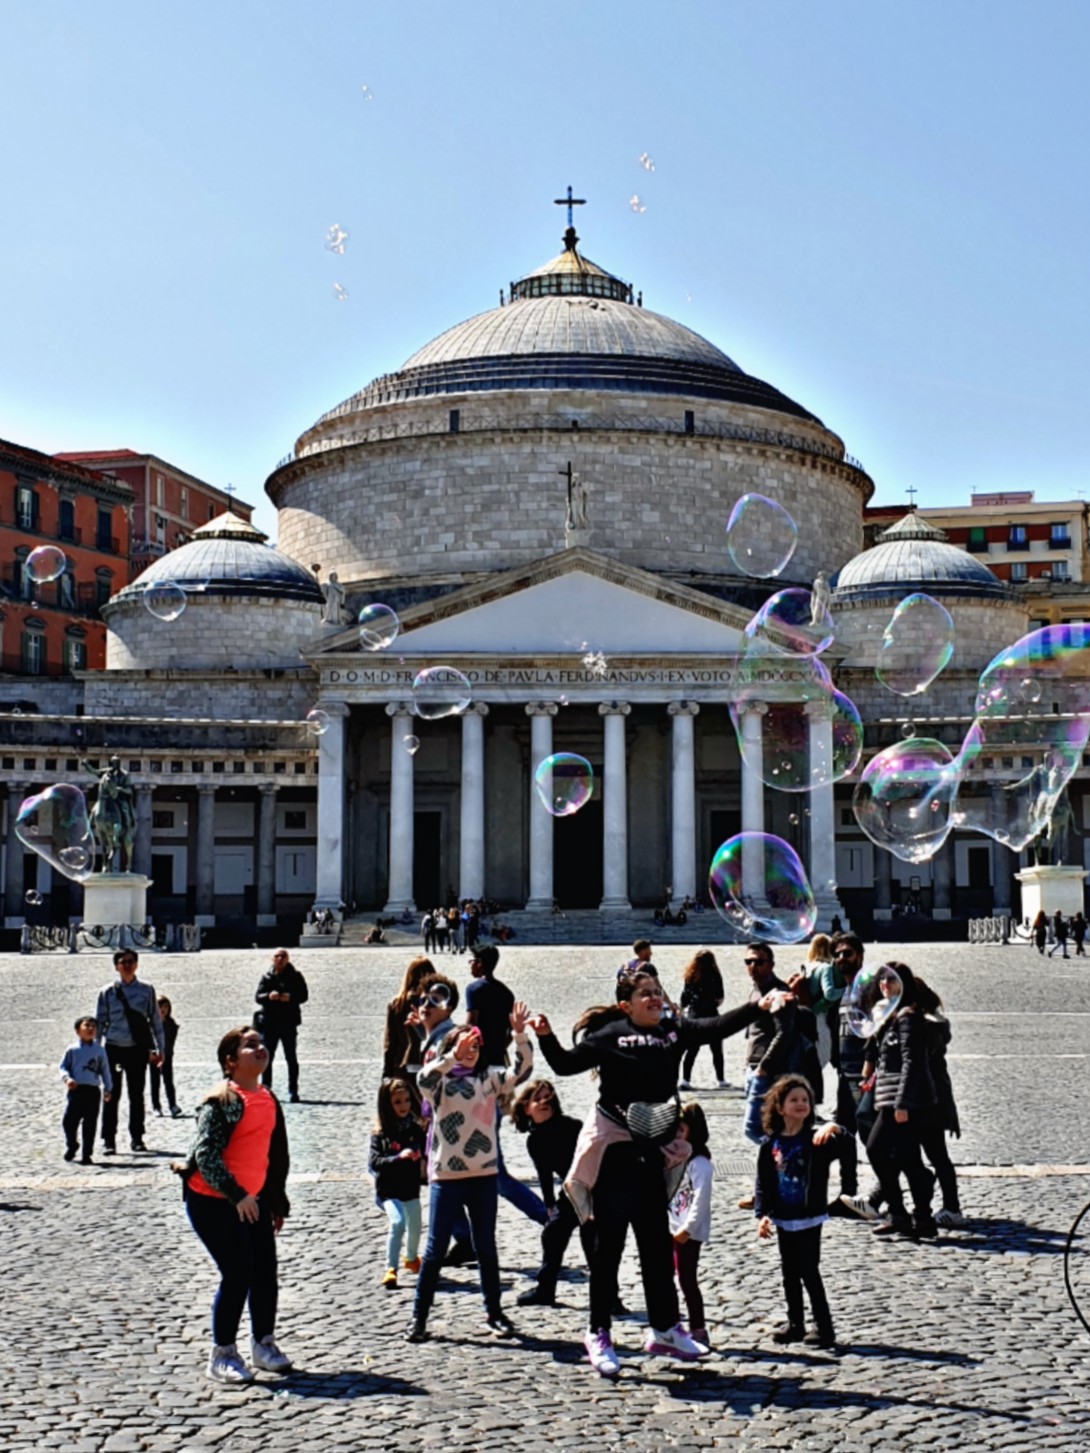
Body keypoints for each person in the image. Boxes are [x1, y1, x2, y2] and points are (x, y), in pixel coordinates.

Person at [532, 964, 760, 1378]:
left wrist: (758, 1006)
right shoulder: (609, 1036)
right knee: (607, 1249)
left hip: (652, 1151)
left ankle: (665, 1329)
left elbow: (714, 1027)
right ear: (625, 1005)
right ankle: (598, 1332)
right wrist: (544, 1034)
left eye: (657, 990)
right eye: (645, 994)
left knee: (656, 1247)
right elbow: (565, 1065)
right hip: (616, 1153)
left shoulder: (671, 1032)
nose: (655, 998)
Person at [405, 1012, 533, 1343]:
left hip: (484, 1174)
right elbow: (424, 1080)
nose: (471, 1051)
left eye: (475, 1045)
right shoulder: (441, 1083)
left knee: (486, 1246)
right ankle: (419, 1318)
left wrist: (519, 1035)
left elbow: (521, 1070)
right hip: (447, 1176)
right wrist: (450, 1056)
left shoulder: (488, 1079)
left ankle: (494, 1312)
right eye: (465, 1045)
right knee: (434, 1251)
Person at [175, 1025, 292, 1384]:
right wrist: (236, 1193)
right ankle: (222, 1353)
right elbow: (207, 1155)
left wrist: (274, 1201)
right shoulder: (222, 1101)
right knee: (238, 1271)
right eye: (249, 1045)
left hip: (252, 1200)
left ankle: (263, 1344)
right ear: (230, 1061)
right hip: (211, 1201)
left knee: (265, 1272)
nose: (260, 1047)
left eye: (261, 1042)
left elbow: (276, 1155)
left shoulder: (269, 1099)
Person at [754, 1075, 849, 1350]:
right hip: (784, 1217)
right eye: (794, 1099)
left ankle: (824, 1326)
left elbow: (849, 1145)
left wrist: (835, 1128)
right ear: (780, 1108)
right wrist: (763, 1214)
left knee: (809, 1270)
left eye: (805, 1100)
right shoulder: (769, 1145)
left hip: (809, 1216)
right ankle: (796, 1323)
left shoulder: (816, 1140)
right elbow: (764, 1183)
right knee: (789, 1272)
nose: (801, 1104)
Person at [863, 963, 937, 1240]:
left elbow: (912, 1062)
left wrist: (902, 1103)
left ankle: (903, 1213)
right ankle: (915, 1217)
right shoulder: (891, 1016)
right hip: (890, 1096)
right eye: (882, 980)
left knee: (877, 1149)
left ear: (903, 984)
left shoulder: (908, 1017)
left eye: (891, 980)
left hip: (906, 1101)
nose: (884, 984)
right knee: (905, 1157)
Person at [511, 1079, 595, 1307]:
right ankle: (545, 1290)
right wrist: (549, 1205)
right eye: (537, 1099)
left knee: (593, 1242)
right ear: (526, 1107)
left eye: (549, 1098)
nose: (544, 1102)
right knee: (552, 1235)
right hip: (571, 1192)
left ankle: (609, 1297)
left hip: (593, 1189)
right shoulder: (534, 1140)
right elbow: (544, 1173)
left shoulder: (573, 1126)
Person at [95, 949, 165, 1154]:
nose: (127, 965)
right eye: (122, 962)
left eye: (130, 961)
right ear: (116, 966)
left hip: (137, 1049)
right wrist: (96, 1051)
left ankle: (137, 1137)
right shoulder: (107, 992)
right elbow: (99, 1022)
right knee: (111, 1094)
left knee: (137, 1095)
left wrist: (161, 1048)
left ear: (136, 964)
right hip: (114, 1048)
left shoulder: (146, 990)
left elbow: (155, 1020)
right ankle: (108, 1139)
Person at [913, 976, 964, 1229]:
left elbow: (919, 1062)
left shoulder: (926, 1028)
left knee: (937, 1155)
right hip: (930, 1098)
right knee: (931, 1155)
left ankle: (952, 1207)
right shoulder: (929, 1024)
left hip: (929, 1101)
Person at [370, 1077, 427, 1289]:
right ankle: (390, 1268)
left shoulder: (414, 1128)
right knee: (397, 1222)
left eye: (406, 1101)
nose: (403, 1106)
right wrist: (397, 1157)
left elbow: (425, 1148)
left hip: (410, 1187)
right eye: (397, 1102)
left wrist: (420, 1155)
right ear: (387, 1105)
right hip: (388, 1190)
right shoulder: (381, 1134)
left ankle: (411, 1258)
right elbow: (375, 1162)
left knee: (415, 1225)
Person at [669, 1101, 714, 1351]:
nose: (676, 1135)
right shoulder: (674, 1159)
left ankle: (698, 1328)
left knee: (687, 1280)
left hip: (688, 1232)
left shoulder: (700, 1165)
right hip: (670, 1226)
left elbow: (700, 1200)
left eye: (681, 1130)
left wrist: (687, 1228)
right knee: (668, 1279)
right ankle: (673, 1325)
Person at [255, 950, 309, 1103]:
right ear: (272, 959)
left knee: (291, 1058)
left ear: (287, 959)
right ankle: (266, 1089)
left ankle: (293, 1090)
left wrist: (290, 997)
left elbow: (304, 995)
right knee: (267, 1058)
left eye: (283, 956)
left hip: (288, 1022)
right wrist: (268, 996)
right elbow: (258, 997)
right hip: (270, 1023)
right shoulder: (266, 977)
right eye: (277, 956)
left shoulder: (296, 976)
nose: (279, 959)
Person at [59, 1015, 112, 1164]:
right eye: (87, 1026)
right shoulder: (72, 1050)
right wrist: (67, 1079)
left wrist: (108, 1088)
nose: (90, 1029)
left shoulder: (99, 1050)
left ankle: (87, 1154)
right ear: (78, 1030)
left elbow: (105, 1070)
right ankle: (72, 1144)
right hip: (76, 1090)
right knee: (69, 1122)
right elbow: (63, 1067)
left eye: (93, 1027)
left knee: (90, 1124)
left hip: (92, 1091)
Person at [678, 950, 729, 1090]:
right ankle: (721, 1079)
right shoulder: (715, 975)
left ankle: (686, 1079)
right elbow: (720, 997)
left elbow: (685, 997)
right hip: (711, 1013)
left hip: (694, 1014)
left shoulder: (690, 976)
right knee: (717, 1049)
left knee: (692, 1049)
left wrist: (682, 1009)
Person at [382, 957, 436, 1079]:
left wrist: (387, 1072)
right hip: (430, 1061)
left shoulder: (397, 1004)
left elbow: (390, 1043)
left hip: (403, 1062)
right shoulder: (436, 1003)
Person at [150, 995, 182, 1118]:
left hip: (167, 1055)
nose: (163, 1009)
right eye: (160, 1007)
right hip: (154, 1056)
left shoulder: (170, 1023)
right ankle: (156, 1106)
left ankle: (172, 1105)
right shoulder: (151, 1023)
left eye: (165, 1007)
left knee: (168, 1081)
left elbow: (171, 1040)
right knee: (155, 1082)